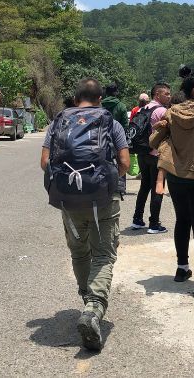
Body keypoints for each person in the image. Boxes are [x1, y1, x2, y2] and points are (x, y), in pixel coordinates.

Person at [40, 78, 130, 350]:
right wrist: (104, 182)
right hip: (103, 199)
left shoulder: (58, 122)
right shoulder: (110, 122)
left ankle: (86, 297)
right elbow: (124, 162)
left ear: (75, 98)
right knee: (103, 254)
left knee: (79, 252)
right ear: (100, 99)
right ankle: (94, 307)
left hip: (69, 200)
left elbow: (45, 163)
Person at [149, 73, 194, 299]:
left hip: (176, 176)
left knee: (182, 220)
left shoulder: (171, 113)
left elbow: (157, 139)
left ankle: (182, 269)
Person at [130, 82, 171, 234]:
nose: (169, 96)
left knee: (144, 186)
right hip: (156, 154)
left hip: (142, 153)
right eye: (166, 94)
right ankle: (154, 224)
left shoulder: (142, 109)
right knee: (157, 188)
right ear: (157, 94)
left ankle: (137, 219)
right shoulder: (162, 111)